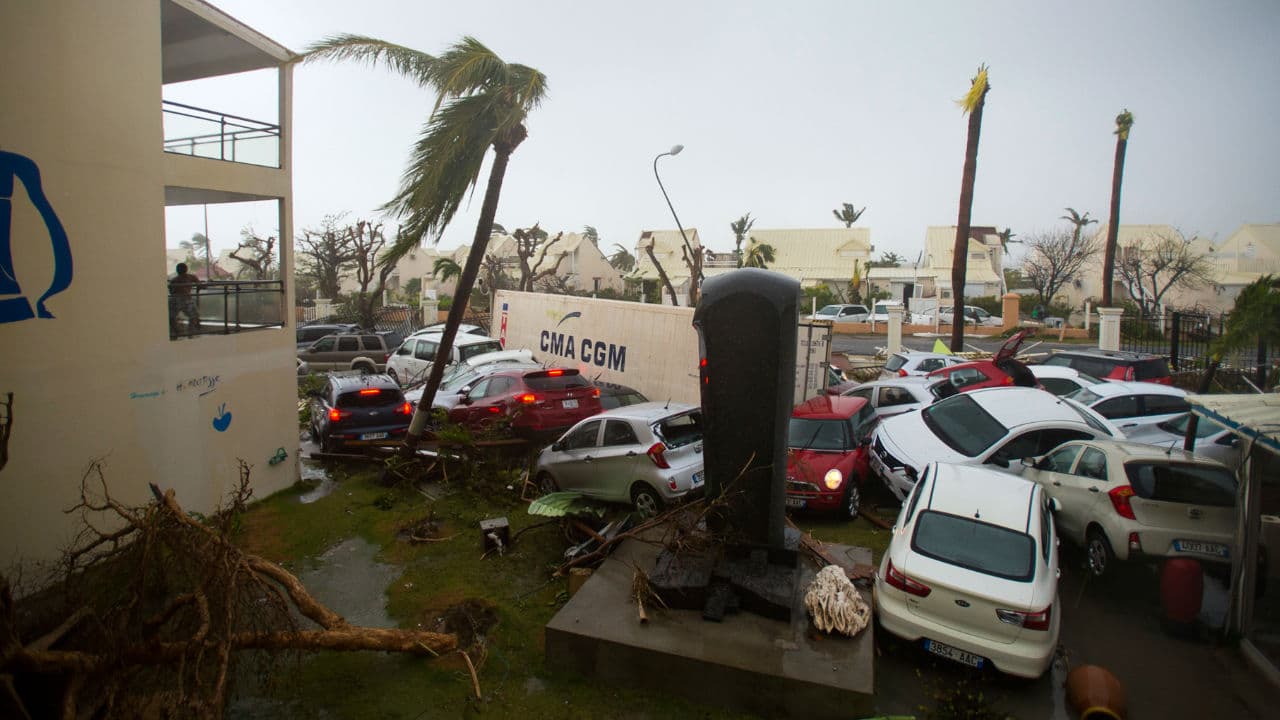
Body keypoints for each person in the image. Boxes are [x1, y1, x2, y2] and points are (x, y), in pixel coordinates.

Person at [168, 263, 201, 337]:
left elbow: (171, 290)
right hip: (185, 299)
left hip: (175, 299)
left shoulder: (174, 280)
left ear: (177, 270)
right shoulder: (190, 277)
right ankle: (189, 333)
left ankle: (178, 332)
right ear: (186, 269)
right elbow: (200, 284)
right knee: (194, 316)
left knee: (171, 317)